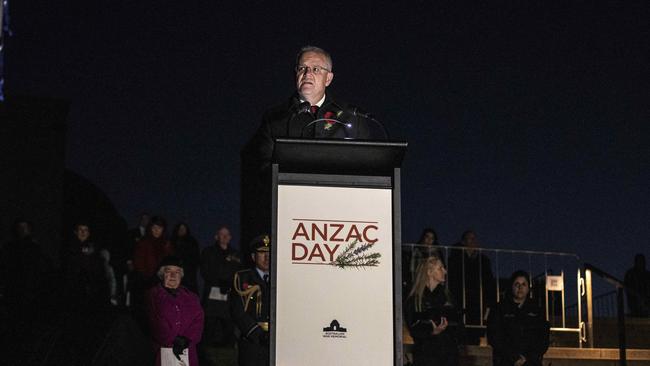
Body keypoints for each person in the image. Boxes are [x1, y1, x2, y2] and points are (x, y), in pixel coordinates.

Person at [404, 255, 461, 366]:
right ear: (429, 272)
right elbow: (414, 328)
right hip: (426, 355)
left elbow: (458, 324)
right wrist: (431, 331)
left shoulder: (448, 297)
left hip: (448, 354)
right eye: (440, 268)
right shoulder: (415, 300)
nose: (445, 271)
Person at [147, 256, 204, 366]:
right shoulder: (153, 295)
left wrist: (187, 339)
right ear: (162, 274)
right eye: (169, 271)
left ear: (181, 276)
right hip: (162, 351)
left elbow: (198, 321)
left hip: (187, 352)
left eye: (177, 272)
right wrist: (173, 339)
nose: (173, 275)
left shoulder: (192, 297)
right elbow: (154, 322)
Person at [487, 270, 550, 366]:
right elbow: (494, 336)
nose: (520, 287)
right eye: (517, 284)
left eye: (524, 284)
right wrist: (513, 357)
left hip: (531, 362)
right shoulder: (499, 308)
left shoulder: (537, 310)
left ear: (528, 288)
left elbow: (543, 337)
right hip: (505, 361)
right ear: (511, 287)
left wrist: (528, 358)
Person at [200, 225, 241, 366]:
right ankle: (205, 356)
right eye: (221, 234)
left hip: (229, 294)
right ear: (216, 236)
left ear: (230, 237)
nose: (224, 237)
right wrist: (220, 281)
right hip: (212, 293)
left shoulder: (235, 254)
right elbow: (206, 271)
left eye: (227, 234)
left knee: (228, 324)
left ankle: (229, 356)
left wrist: (229, 284)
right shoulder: (208, 252)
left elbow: (238, 273)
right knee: (209, 325)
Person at [447, 230, 496, 344]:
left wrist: (490, 301)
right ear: (463, 242)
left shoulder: (483, 260)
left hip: (477, 299)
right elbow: (452, 277)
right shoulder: (456, 257)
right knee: (458, 328)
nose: (473, 241)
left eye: (474, 238)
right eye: (469, 238)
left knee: (474, 332)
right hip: (460, 296)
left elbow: (489, 281)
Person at [229, 234, 271, 366]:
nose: (267, 257)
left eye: (270, 253)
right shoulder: (242, 278)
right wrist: (257, 333)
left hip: (276, 342)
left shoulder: (280, 278)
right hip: (252, 341)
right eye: (262, 253)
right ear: (253, 257)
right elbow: (237, 311)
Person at [63, 222, 117, 308]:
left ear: (89, 233)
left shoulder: (95, 249)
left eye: (85, 230)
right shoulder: (70, 248)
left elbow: (102, 272)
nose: (83, 232)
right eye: (80, 230)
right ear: (76, 232)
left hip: (91, 293)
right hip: (74, 291)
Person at [171, 222, 201, 293]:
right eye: (180, 229)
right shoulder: (172, 242)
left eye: (184, 229)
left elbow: (196, 259)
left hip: (188, 276)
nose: (182, 230)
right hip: (174, 274)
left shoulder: (192, 242)